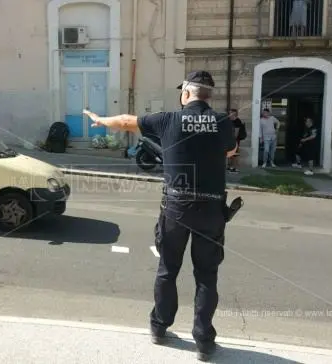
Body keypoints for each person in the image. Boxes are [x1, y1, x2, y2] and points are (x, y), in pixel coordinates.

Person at [83, 71, 237, 362]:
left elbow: (128, 122)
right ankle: (204, 341)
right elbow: (231, 150)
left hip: (176, 208)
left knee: (168, 268)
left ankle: (159, 327)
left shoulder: (168, 120)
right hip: (211, 208)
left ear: (187, 93)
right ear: (208, 96)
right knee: (206, 274)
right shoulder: (222, 122)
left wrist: (101, 120)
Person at [227, 108, 245, 173]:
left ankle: (235, 168)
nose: (229, 114)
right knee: (230, 154)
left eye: (230, 113)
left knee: (235, 154)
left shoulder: (237, 121)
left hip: (235, 140)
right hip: (230, 140)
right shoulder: (229, 120)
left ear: (234, 114)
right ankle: (230, 166)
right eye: (229, 113)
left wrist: (233, 140)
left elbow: (236, 133)